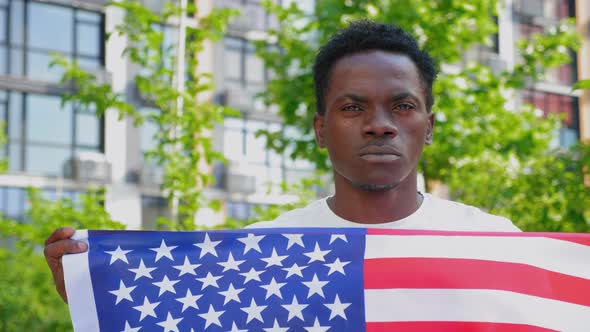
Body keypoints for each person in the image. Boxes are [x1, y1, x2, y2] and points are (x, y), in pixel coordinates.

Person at [44, 20, 520, 303]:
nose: (379, 124)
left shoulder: (501, 247)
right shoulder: (257, 254)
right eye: (353, 107)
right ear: (320, 129)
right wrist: (95, 299)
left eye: (402, 105)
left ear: (429, 125)